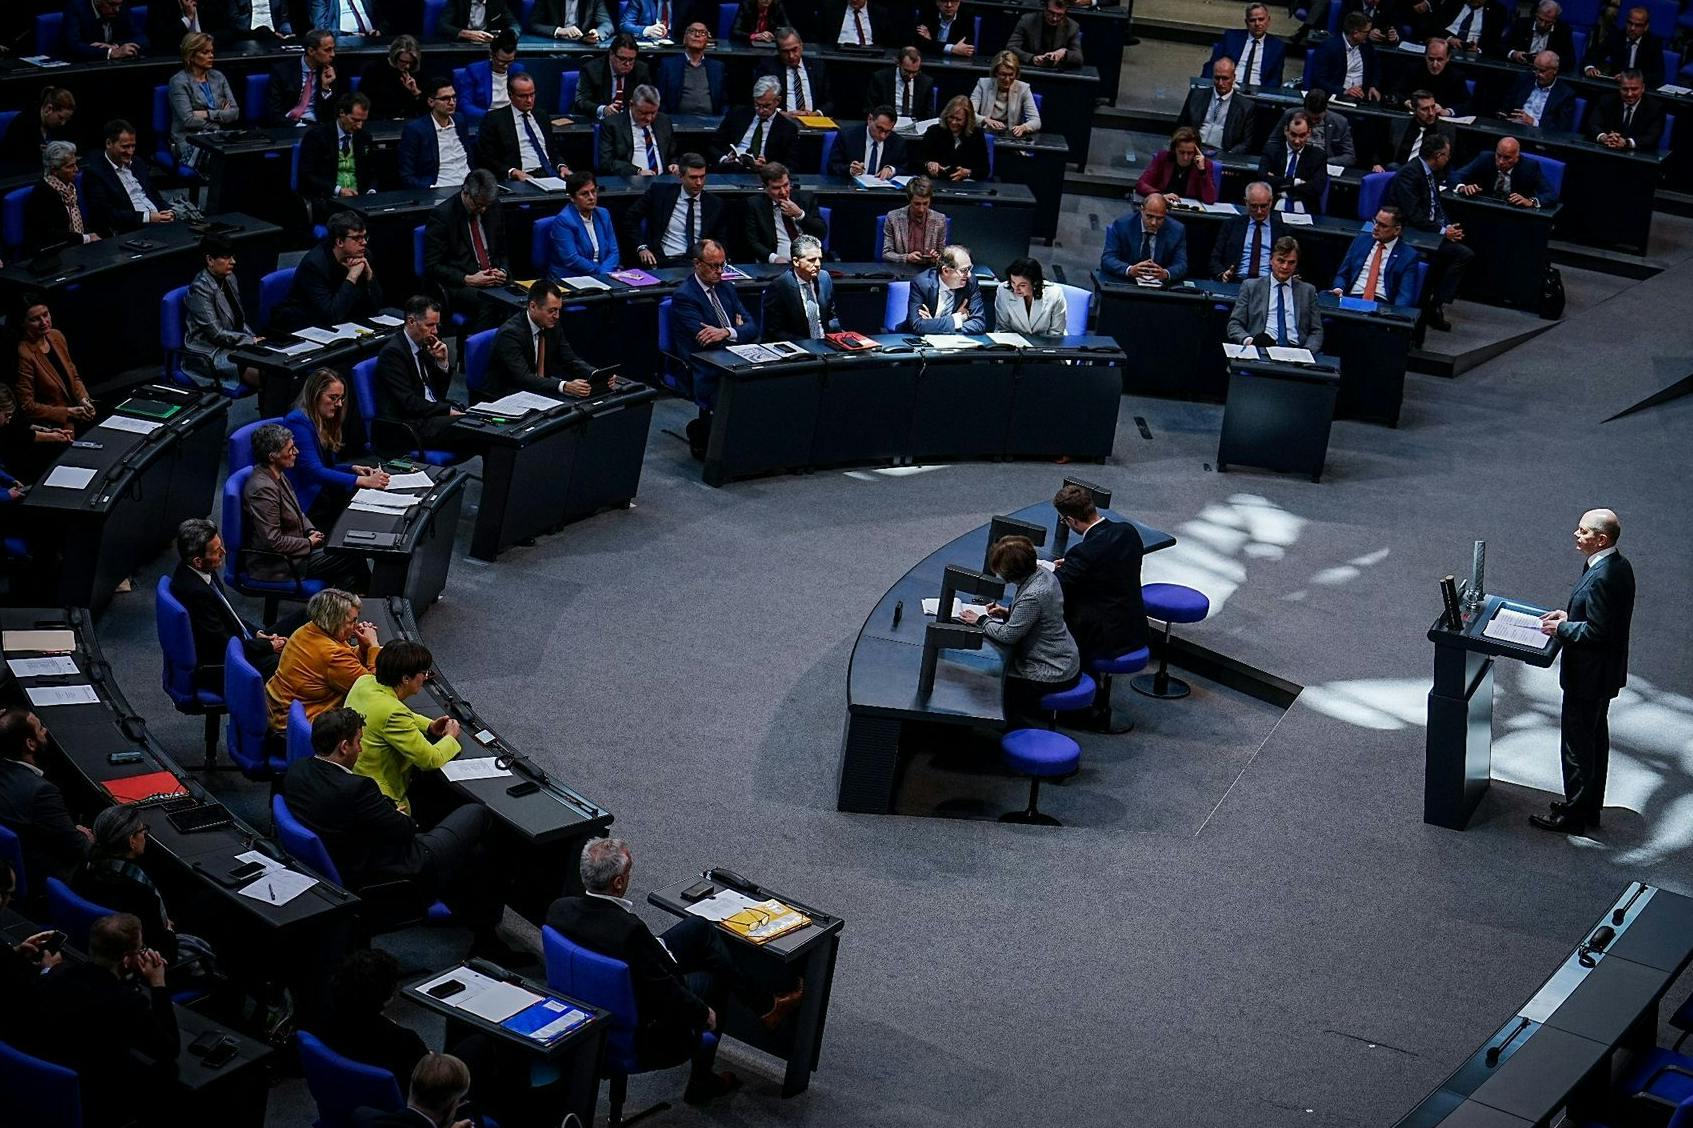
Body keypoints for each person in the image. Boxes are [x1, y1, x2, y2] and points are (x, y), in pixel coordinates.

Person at [545, 838, 802, 1106]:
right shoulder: (629, 931)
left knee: (699, 929)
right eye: (628, 873)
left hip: (591, 997)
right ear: (618, 883)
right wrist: (703, 1012)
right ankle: (702, 1081)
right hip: (642, 1024)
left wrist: (655, 951)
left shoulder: (559, 910)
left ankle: (766, 1006)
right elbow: (666, 990)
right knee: (713, 979)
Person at [285, 707, 517, 961]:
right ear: (344, 747)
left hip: (342, 865)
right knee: (479, 815)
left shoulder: (297, 772)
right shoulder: (357, 788)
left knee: (475, 855)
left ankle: (480, 929)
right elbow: (406, 828)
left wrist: (384, 810)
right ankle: (486, 933)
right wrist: (393, 812)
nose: (360, 750)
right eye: (358, 743)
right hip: (402, 868)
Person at [1530, 509, 1635, 835]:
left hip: (1588, 677)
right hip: (1603, 675)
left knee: (1577, 747)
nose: (1576, 535)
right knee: (1593, 741)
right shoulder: (1617, 566)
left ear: (1601, 539)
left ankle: (1574, 815)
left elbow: (1598, 632)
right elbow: (1601, 617)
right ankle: (1588, 807)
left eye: (1584, 531)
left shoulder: (1603, 576)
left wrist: (1563, 629)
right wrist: (1570, 615)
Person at [28, 913, 178, 1128]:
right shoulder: (128, 1003)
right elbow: (169, 1049)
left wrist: (50, 969)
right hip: (102, 1101)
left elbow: (55, 974)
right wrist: (158, 984)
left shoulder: (57, 974)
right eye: (140, 948)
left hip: (49, 1086)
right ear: (127, 959)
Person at [73, 806, 219, 985]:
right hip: (147, 963)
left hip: (97, 947)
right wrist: (168, 929)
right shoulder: (140, 893)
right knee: (211, 907)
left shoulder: (85, 870)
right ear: (131, 841)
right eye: (143, 831)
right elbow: (167, 952)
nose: (145, 836)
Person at [1050, 483, 1145, 726]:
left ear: (1070, 520)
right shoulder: (1128, 532)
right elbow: (1107, 566)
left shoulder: (1084, 552)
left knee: (1052, 621)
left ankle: (1076, 705)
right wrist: (1072, 565)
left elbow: (1053, 587)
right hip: (1133, 624)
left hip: (1106, 637)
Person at [960, 535, 1082, 722]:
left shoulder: (1033, 595)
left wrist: (981, 620)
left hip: (1052, 669)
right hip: (1065, 658)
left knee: (989, 682)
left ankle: (1011, 727)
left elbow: (1009, 635)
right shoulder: (1044, 573)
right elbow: (1040, 612)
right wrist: (1009, 612)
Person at [242, 424, 372, 594]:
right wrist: (308, 543)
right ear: (272, 456)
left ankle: (351, 604)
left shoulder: (277, 474)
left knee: (348, 558)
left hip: (296, 549)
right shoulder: (262, 489)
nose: (296, 452)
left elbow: (297, 511)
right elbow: (273, 541)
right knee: (350, 555)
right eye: (290, 449)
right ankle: (367, 599)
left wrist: (311, 530)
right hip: (280, 564)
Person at [169, 517, 288, 685]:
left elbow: (229, 615)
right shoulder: (194, 593)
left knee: (305, 616)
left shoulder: (202, 569)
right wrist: (267, 646)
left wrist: (257, 634)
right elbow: (224, 645)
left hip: (242, 640)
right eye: (217, 551)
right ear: (198, 560)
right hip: (228, 662)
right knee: (296, 661)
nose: (224, 552)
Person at [348, 639, 462, 813]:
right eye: (423, 672)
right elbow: (429, 759)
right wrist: (450, 737)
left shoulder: (363, 682)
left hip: (355, 780)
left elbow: (394, 712)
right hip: (383, 800)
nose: (425, 677)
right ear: (406, 678)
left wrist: (429, 725)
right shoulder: (393, 713)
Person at [669, 240, 756, 457]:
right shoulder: (685, 296)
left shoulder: (726, 288)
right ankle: (709, 437)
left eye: (722, 265)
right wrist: (736, 330)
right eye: (713, 266)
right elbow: (707, 340)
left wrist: (728, 331)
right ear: (697, 264)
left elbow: (753, 326)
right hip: (703, 364)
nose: (719, 272)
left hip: (734, 355)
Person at [1385, 132, 1470, 340]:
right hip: (1412, 232)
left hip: (1428, 231)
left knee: (1461, 249)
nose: (1448, 159)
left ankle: (1434, 300)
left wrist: (1448, 226)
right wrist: (1442, 231)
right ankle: (1434, 304)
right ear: (1438, 155)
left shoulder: (1429, 172)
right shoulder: (1410, 174)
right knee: (1462, 255)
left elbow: (1436, 207)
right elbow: (1414, 215)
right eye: (1447, 155)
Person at [284, 368, 389, 522]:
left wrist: (351, 469)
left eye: (341, 398)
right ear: (315, 395)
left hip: (326, 492)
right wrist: (360, 480)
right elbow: (313, 471)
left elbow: (325, 466)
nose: (339, 404)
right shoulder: (297, 421)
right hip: (310, 501)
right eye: (333, 398)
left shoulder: (323, 419)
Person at [0, 709, 91, 885]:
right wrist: (86, 836)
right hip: (45, 878)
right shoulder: (41, 792)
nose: (45, 731)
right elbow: (78, 848)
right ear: (30, 744)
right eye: (40, 729)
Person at [267, 589, 380, 729]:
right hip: (296, 729)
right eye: (352, 621)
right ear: (334, 621)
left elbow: (347, 656)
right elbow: (375, 691)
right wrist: (373, 646)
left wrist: (363, 648)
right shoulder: (333, 655)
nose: (356, 626)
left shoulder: (308, 630)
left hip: (279, 713)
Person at [317, 949, 428, 1086]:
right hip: (394, 1104)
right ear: (388, 997)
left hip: (338, 1096)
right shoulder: (404, 1041)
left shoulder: (321, 1025)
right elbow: (429, 1081)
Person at [272, 212, 386, 333]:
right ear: (339, 242)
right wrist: (352, 276)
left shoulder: (363, 256)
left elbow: (376, 306)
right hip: (305, 326)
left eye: (364, 237)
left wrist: (369, 276)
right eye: (357, 238)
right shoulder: (314, 265)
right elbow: (331, 315)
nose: (364, 242)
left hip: (345, 323)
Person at [376, 296, 465, 448]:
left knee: (482, 427)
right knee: (475, 430)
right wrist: (446, 410)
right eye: (430, 325)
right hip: (412, 425)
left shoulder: (425, 345)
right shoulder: (393, 353)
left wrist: (442, 362)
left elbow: (439, 394)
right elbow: (409, 403)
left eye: (437, 325)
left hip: (430, 415)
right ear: (411, 322)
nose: (435, 331)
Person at [485, 281, 596, 402]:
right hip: (508, 394)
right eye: (551, 311)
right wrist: (564, 386)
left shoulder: (552, 325)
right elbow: (523, 378)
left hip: (539, 389)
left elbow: (569, 359)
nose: (557, 316)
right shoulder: (510, 334)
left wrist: (594, 374)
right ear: (533, 306)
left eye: (558, 310)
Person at [425, 169, 510, 329]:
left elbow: (502, 251)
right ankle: (482, 350)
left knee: (522, 298)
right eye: (479, 204)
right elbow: (432, 266)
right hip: (462, 284)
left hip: (493, 279)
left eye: (486, 205)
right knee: (491, 303)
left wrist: (503, 271)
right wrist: (467, 278)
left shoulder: (493, 208)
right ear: (466, 193)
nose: (483, 210)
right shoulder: (443, 215)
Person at [183, 235, 262, 390]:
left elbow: (239, 319)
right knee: (265, 376)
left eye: (233, 257)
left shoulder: (230, 278)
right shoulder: (200, 289)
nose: (233, 262)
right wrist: (249, 341)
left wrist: (253, 340)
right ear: (210, 260)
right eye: (226, 258)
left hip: (233, 344)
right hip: (209, 353)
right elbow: (216, 333)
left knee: (276, 367)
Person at [14, 298, 97, 433]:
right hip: (55, 427)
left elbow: (74, 376)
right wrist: (67, 412)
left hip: (80, 415)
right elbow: (27, 406)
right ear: (23, 323)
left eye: (45, 314)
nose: (44, 322)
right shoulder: (24, 354)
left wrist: (83, 400)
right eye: (35, 319)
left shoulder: (56, 336)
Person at [1226, 236, 1323, 351]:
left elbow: (1316, 331)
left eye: (1291, 262)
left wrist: (1308, 351)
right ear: (1270, 260)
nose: (1285, 267)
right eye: (1281, 261)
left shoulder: (1308, 291)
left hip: (1296, 351)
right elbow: (1234, 324)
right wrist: (1250, 341)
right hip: (1261, 347)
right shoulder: (1251, 287)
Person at [82, 118, 175, 236]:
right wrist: (148, 217)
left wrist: (169, 211)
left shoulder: (138, 163)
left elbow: (154, 195)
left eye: (133, 146)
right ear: (109, 143)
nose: (130, 152)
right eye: (125, 147)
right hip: (132, 230)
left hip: (160, 223)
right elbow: (107, 214)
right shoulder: (95, 173)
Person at [475, 72, 572, 183]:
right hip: (522, 177)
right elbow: (487, 158)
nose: (529, 100)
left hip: (551, 174)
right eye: (523, 96)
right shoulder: (495, 119)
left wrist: (562, 166)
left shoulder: (541, 116)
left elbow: (552, 150)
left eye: (532, 94)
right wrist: (512, 171)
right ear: (510, 95)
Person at [298, 92, 376, 222]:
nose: (359, 126)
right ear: (342, 113)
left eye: (363, 121)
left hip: (359, 203)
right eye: (355, 120)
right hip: (329, 201)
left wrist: (371, 192)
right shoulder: (316, 137)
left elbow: (372, 173)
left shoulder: (364, 137)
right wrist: (338, 190)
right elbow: (306, 175)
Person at [627, 152, 717, 265]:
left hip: (699, 264)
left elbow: (721, 241)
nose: (699, 183)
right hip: (663, 261)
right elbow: (630, 218)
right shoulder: (659, 193)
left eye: (702, 177)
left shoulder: (714, 204)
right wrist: (641, 247)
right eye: (693, 177)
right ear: (680, 176)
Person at [166, 33, 239, 164]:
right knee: (223, 161)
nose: (211, 56)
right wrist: (220, 119)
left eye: (211, 52)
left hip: (218, 137)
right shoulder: (179, 82)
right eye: (205, 52)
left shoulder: (218, 77)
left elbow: (234, 112)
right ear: (191, 56)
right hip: (189, 140)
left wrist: (206, 114)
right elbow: (188, 120)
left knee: (244, 154)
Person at [1330, 205, 1421, 306]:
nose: (1376, 227)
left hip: (1381, 304)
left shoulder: (1408, 255)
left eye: (1383, 225)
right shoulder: (1361, 241)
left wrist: (1395, 316)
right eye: (1376, 222)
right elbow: (1343, 274)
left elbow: (1405, 294)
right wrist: (1339, 288)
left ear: (1397, 230)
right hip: (1351, 299)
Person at [398, 76, 474, 189]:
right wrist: (429, 188)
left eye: (454, 97)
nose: (452, 103)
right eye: (445, 99)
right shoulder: (416, 130)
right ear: (431, 102)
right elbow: (406, 175)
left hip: (470, 186)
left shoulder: (460, 120)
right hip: (439, 187)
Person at [760, 236, 838, 341]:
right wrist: (808, 344)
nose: (818, 264)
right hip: (798, 345)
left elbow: (831, 316)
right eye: (812, 260)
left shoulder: (824, 278)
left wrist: (839, 338)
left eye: (820, 259)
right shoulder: (779, 287)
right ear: (796, 262)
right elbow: (773, 331)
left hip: (826, 343)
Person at [745, 161, 824, 264]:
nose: (783, 192)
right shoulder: (755, 205)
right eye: (776, 188)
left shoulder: (806, 198)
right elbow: (752, 242)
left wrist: (800, 214)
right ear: (765, 187)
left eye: (786, 185)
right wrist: (774, 258)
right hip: (777, 265)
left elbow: (821, 232)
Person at [712, 76, 799, 169]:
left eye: (766, 106)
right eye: (757, 105)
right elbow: (715, 144)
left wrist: (769, 168)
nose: (761, 110)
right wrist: (724, 159)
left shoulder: (788, 128)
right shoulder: (738, 114)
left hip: (765, 176)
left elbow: (790, 164)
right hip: (732, 168)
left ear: (777, 101)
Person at [1100, 194, 1188, 284]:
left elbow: (1181, 264)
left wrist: (1165, 274)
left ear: (1166, 213)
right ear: (1142, 210)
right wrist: (1130, 270)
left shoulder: (1177, 230)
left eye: (1159, 218)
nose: (1154, 223)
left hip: (1160, 287)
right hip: (1127, 283)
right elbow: (1107, 259)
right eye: (1149, 216)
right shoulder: (1122, 225)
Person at [549, 170, 621, 278]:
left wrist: (605, 272)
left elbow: (614, 252)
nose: (591, 197)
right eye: (584, 194)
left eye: (593, 191)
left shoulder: (603, 214)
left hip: (603, 273)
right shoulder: (564, 221)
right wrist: (602, 273)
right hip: (573, 277)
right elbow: (572, 260)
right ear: (572, 198)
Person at [1210, 180, 1286, 281]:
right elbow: (1214, 259)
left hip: (1268, 284)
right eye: (1254, 206)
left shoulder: (1283, 230)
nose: (1259, 211)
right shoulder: (1231, 225)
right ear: (1246, 202)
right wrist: (1222, 274)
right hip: (1236, 280)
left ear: (1271, 202)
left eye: (1263, 206)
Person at [1451, 137, 1556, 207]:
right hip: (1484, 208)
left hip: (1514, 215)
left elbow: (1551, 195)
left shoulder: (1529, 167)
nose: (1501, 161)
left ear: (1517, 157)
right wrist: (1462, 188)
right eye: (1498, 155)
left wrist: (1530, 202)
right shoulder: (1485, 158)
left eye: (1507, 158)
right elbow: (1455, 175)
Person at [265, 27, 338, 126]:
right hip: (288, 125)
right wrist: (295, 125)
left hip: (317, 127)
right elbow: (274, 113)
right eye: (327, 50)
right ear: (311, 51)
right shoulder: (282, 71)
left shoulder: (333, 73)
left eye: (333, 49)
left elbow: (332, 115)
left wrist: (325, 88)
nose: (333, 54)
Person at [599, 85, 677, 177]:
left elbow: (673, 153)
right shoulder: (612, 125)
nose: (649, 118)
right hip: (630, 183)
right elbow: (607, 163)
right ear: (631, 104)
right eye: (643, 113)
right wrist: (636, 171)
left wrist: (674, 164)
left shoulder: (664, 121)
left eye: (653, 113)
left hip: (663, 182)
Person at [572, 33, 653, 121]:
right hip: (599, 122)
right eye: (622, 59)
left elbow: (648, 99)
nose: (627, 64)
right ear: (611, 54)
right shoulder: (592, 70)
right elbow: (582, 101)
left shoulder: (641, 70)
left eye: (631, 59)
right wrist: (603, 109)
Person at [905, 244, 985, 333]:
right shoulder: (922, 283)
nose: (969, 274)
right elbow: (917, 325)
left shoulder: (971, 282)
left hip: (955, 342)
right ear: (946, 271)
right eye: (963, 270)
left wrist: (933, 325)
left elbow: (979, 324)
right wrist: (956, 319)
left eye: (969, 269)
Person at [1176, 58, 1250, 154]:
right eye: (1217, 78)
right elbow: (1181, 126)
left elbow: (1246, 143)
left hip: (1223, 152)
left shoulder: (1245, 106)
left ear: (1234, 77)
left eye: (1225, 78)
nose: (1220, 83)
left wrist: (1229, 155)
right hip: (1193, 149)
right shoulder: (1196, 96)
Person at [1259, 111, 1328, 213]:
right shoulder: (1271, 150)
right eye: (1293, 134)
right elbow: (1263, 178)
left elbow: (1317, 187)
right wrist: (1297, 182)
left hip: (1305, 207)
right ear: (1286, 130)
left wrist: (1280, 183)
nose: (1297, 141)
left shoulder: (1318, 156)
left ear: (1309, 133)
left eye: (1302, 135)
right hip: (1274, 205)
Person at [757, 28, 833, 117]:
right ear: (778, 51)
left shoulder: (817, 66)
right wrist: (782, 114)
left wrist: (815, 114)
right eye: (785, 52)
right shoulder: (768, 68)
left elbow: (830, 102)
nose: (791, 56)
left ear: (801, 46)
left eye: (794, 49)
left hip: (813, 121)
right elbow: (760, 101)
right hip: (781, 121)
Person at [1374, 89, 1454, 171]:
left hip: (1428, 175)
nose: (1431, 113)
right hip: (1398, 171)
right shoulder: (1399, 124)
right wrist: (1377, 164)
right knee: (1392, 166)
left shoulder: (1446, 130)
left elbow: (1451, 162)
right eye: (1425, 109)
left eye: (1433, 107)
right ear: (1414, 110)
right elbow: (1383, 149)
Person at [1585, 69, 1665, 152]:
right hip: (1607, 152)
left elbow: (1651, 137)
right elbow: (1593, 124)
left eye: (1634, 89)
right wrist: (1605, 137)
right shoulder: (1607, 101)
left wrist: (1627, 143)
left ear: (1643, 88)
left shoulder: (1655, 108)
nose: (1629, 94)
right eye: (1625, 89)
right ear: (1619, 88)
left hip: (1638, 156)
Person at [1273, 90, 1355, 168]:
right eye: (1309, 117)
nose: (1313, 121)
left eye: (1317, 119)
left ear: (1326, 109)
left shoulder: (1340, 122)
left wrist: (1322, 161)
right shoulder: (1290, 115)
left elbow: (1349, 156)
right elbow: (1273, 142)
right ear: (1304, 108)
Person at [658, 23, 726, 115]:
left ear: (707, 41)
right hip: (677, 122)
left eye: (702, 33)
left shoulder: (717, 67)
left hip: (711, 122)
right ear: (684, 39)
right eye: (692, 31)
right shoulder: (668, 65)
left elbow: (725, 102)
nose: (697, 35)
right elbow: (660, 101)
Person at [1585, 7, 1664, 87]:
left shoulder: (1653, 43)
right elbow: (1593, 55)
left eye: (1638, 25)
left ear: (1646, 27)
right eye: (1630, 23)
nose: (1632, 28)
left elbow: (1658, 76)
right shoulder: (1616, 36)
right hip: (1615, 87)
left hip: (1639, 90)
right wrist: (1590, 67)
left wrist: (1632, 78)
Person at [1309, 12, 1380, 100]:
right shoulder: (1329, 47)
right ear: (1355, 33)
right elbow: (1319, 80)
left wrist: (1373, 86)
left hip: (1363, 98)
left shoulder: (1367, 46)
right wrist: (1343, 91)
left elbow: (1375, 69)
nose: (1369, 34)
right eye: (1367, 32)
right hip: (1337, 97)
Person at [1135, 127, 1215, 205]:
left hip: (1190, 214)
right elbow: (1141, 184)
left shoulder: (1204, 165)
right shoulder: (1163, 158)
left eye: (1190, 153)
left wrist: (1202, 171)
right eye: (1181, 152)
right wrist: (1160, 195)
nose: (1185, 157)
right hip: (1163, 209)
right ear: (1174, 149)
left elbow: (1210, 199)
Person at [1391, 38, 1470, 115]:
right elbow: (1396, 91)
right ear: (1425, 56)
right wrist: (1406, 101)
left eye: (1440, 60)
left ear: (1448, 58)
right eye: (1431, 59)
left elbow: (1466, 103)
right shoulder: (1412, 70)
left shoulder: (1457, 76)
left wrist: (1447, 111)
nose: (1435, 65)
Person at [1210, 2, 1281, 87]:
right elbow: (1213, 64)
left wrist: (1265, 95)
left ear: (1268, 20)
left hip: (1258, 91)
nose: (1257, 24)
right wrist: (1204, 86)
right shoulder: (1231, 37)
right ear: (1246, 22)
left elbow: (1275, 78)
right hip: (1230, 88)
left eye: (1261, 19)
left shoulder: (1277, 46)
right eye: (1252, 20)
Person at [971, 50, 1040, 138]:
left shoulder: (1023, 88)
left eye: (1011, 75)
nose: (1007, 79)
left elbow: (1036, 121)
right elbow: (970, 114)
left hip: (1010, 138)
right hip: (985, 136)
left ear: (1016, 73)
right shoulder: (983, 84)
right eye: (1003, 74)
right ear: (996, 72)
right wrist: (985, 120)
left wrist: (1023, 127)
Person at [0, 88, 76, 167]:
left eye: (66, 120)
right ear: (48, 109)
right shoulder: (23, 124)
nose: (63, 123)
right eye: (60, 117)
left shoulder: (55, 126)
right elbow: (20, 157)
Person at [993, 256, 1067, 337]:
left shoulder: (1055, 294)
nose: (1016, 289)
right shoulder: (1004, 290)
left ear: (1035, 282)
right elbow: (1002, 329)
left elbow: (1056, 334)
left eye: (1022, 285)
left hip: (1046, 343)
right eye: (1013, 282)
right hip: (1016, 344)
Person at [920, 95, 988, 182]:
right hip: (937, 182)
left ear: (967, 120)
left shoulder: (977, 135)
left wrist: (968, 172)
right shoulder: (933, 131)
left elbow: (984, 170)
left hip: (965, 185)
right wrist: (928, 164)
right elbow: (918, 161)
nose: (953, 122)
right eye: (951, 117)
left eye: (959, 119)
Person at [882, 176, 947, 265]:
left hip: (928, 271)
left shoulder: (940, 219)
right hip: (901, 269)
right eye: (917, 204)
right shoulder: (893, 218)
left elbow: (943, 257)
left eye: (925, 203)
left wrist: (937, 258)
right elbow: (886, 253)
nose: (921, 209)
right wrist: (906, 257)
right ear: (909, 199)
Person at [361, 35, 429, 119]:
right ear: (394, 56)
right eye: (403, 61)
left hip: (409, 120)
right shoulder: (374, 70)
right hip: (381, 120)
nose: (407, 66)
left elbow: (426, 108)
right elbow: (364, 104)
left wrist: (416, 93)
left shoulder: (417, 72)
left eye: (410, 62)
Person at [1503, 51, 1575, 130]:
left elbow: (1561, 126)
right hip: (1515, 127)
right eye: (1535, 69)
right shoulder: (1524, 79)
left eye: (1542, 71)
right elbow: (1507, 105)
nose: (1537, 74)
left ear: (1555, 70)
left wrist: (1533, 122)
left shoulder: (1565, 94)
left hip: (1541, 135)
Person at [827, 106, 902, 180]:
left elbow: (905, 169)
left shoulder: (897, 142)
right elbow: (833, 166)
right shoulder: (847, 136)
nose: (883, 136)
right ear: (870, 119)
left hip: (882, 190)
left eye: (887, 131)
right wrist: (850, 170)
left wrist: (891, 169)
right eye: (879, 128)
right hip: (851, 188)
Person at [462, 29, 524, 117]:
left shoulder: (517, 70)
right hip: (485, 117)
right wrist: (492, 117)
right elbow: (465, 105)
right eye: (502, 61)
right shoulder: (474, 71)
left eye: (510, 61)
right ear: (491, 54)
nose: (506, 66)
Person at [1007, 0, 1083, 70]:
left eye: (1060, 15)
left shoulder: (1073, 26)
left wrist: (1064, 53)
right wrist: (1032, 58)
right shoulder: (1027, 20)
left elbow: (1079, 58)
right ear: (1044, 9)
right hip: (1030, 69)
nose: (1054, 18)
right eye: (1051, 13)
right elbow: (1011, 47)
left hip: (1056, 72)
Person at [64, 0, 149, 61]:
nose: (117, 9)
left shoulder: (121, 6)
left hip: (115, 66)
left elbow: (142, 39)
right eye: (111, 4)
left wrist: (116, 47)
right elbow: (73, 46)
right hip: (88, 65)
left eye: (119, 5)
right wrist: (110, 52)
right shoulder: (76, 7)